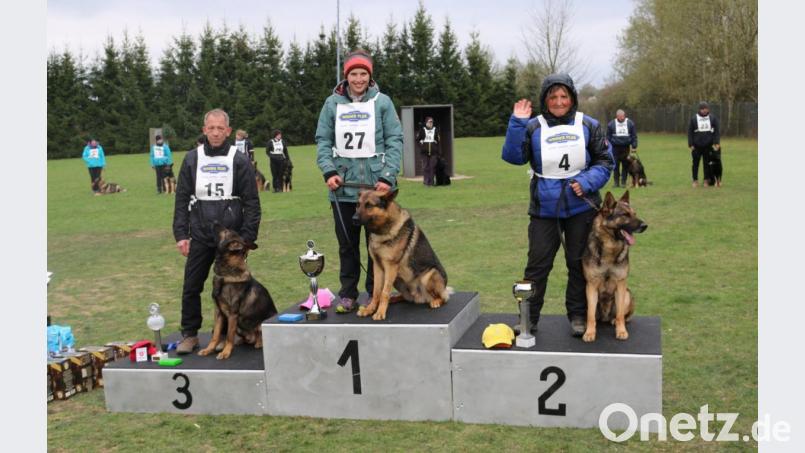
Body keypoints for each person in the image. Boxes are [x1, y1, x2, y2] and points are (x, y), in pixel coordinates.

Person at [501, 73, 613, 336]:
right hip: (544, 208)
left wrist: (586, 181)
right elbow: (513, 157)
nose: (559, 101)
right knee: (536, 265)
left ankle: (577, 315)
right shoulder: (532, 127)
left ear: (572, 97)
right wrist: (517, 123)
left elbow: (605, 162)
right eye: (553, 97)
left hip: (581, 205)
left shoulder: (589, 124)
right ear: (545, 99)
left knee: (578, 262)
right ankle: (528, 318)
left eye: (564, 96)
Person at [315, 49, 403, 313]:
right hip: (343, 189)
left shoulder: (383, 102)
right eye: (354, 73)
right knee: (347, 244)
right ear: (346, 76)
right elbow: (323, 141)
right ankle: (347, 293)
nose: (359, 79)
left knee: (377, 245)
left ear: (370, 75)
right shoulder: (332, 104)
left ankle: (372, 293)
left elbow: (395, 140)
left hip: (376, 190)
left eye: (363, 73)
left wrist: (388, 175)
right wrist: (330, 171)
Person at [172, 109, 261, 354]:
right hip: (201, 233)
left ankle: (233, 334)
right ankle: (189, 334)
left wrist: (247, 238)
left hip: (231, 238)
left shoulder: (239, 159)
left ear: (228, 131)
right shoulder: (192, 158)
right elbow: (181, 199)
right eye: (211, 128)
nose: (215, 132)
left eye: (220, 128)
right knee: (192, 284)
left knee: (233, 289)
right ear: (204, 130)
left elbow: (252, 202)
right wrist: (181, 234)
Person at [688, 101, 721, 187]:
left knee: (707, 164)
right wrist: (690, 144)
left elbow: (716, 131)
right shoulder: (694, 119)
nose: (704, 111)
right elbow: (690, 132)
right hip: (696, 146)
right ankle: (695, 180)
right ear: (699, 109)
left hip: (708, 145)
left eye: (705, 109)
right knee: (695, 164)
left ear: (708, 109)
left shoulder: (712, 118)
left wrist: (716, 142)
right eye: (702, 109)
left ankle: (706, 180)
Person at [606, 109, 638, 188]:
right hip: (615, 148)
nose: (622, 118)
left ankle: (623, 182)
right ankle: (616, 183)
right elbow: (608, 137)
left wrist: (634, 146)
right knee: (616, 166)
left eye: (623, 116)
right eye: (620, 117)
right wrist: (607, 147)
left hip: (625, 148)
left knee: (625, 165)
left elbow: (634, 136)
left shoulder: (630, 123)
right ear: (617, 116)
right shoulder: (611, 124)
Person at [415, 116, 441, 186]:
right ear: (426, 123)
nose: (431, 123)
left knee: (432, 167)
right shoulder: (422, 130)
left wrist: (436, 148)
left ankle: (432, 182)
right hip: (424, 152)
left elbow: (438, 140)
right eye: (429, 122)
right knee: (426, 167)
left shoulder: (435, 130)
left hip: (433, 152)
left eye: (432, 122)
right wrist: (421, 147)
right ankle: (426, 182)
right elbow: (417, 140)